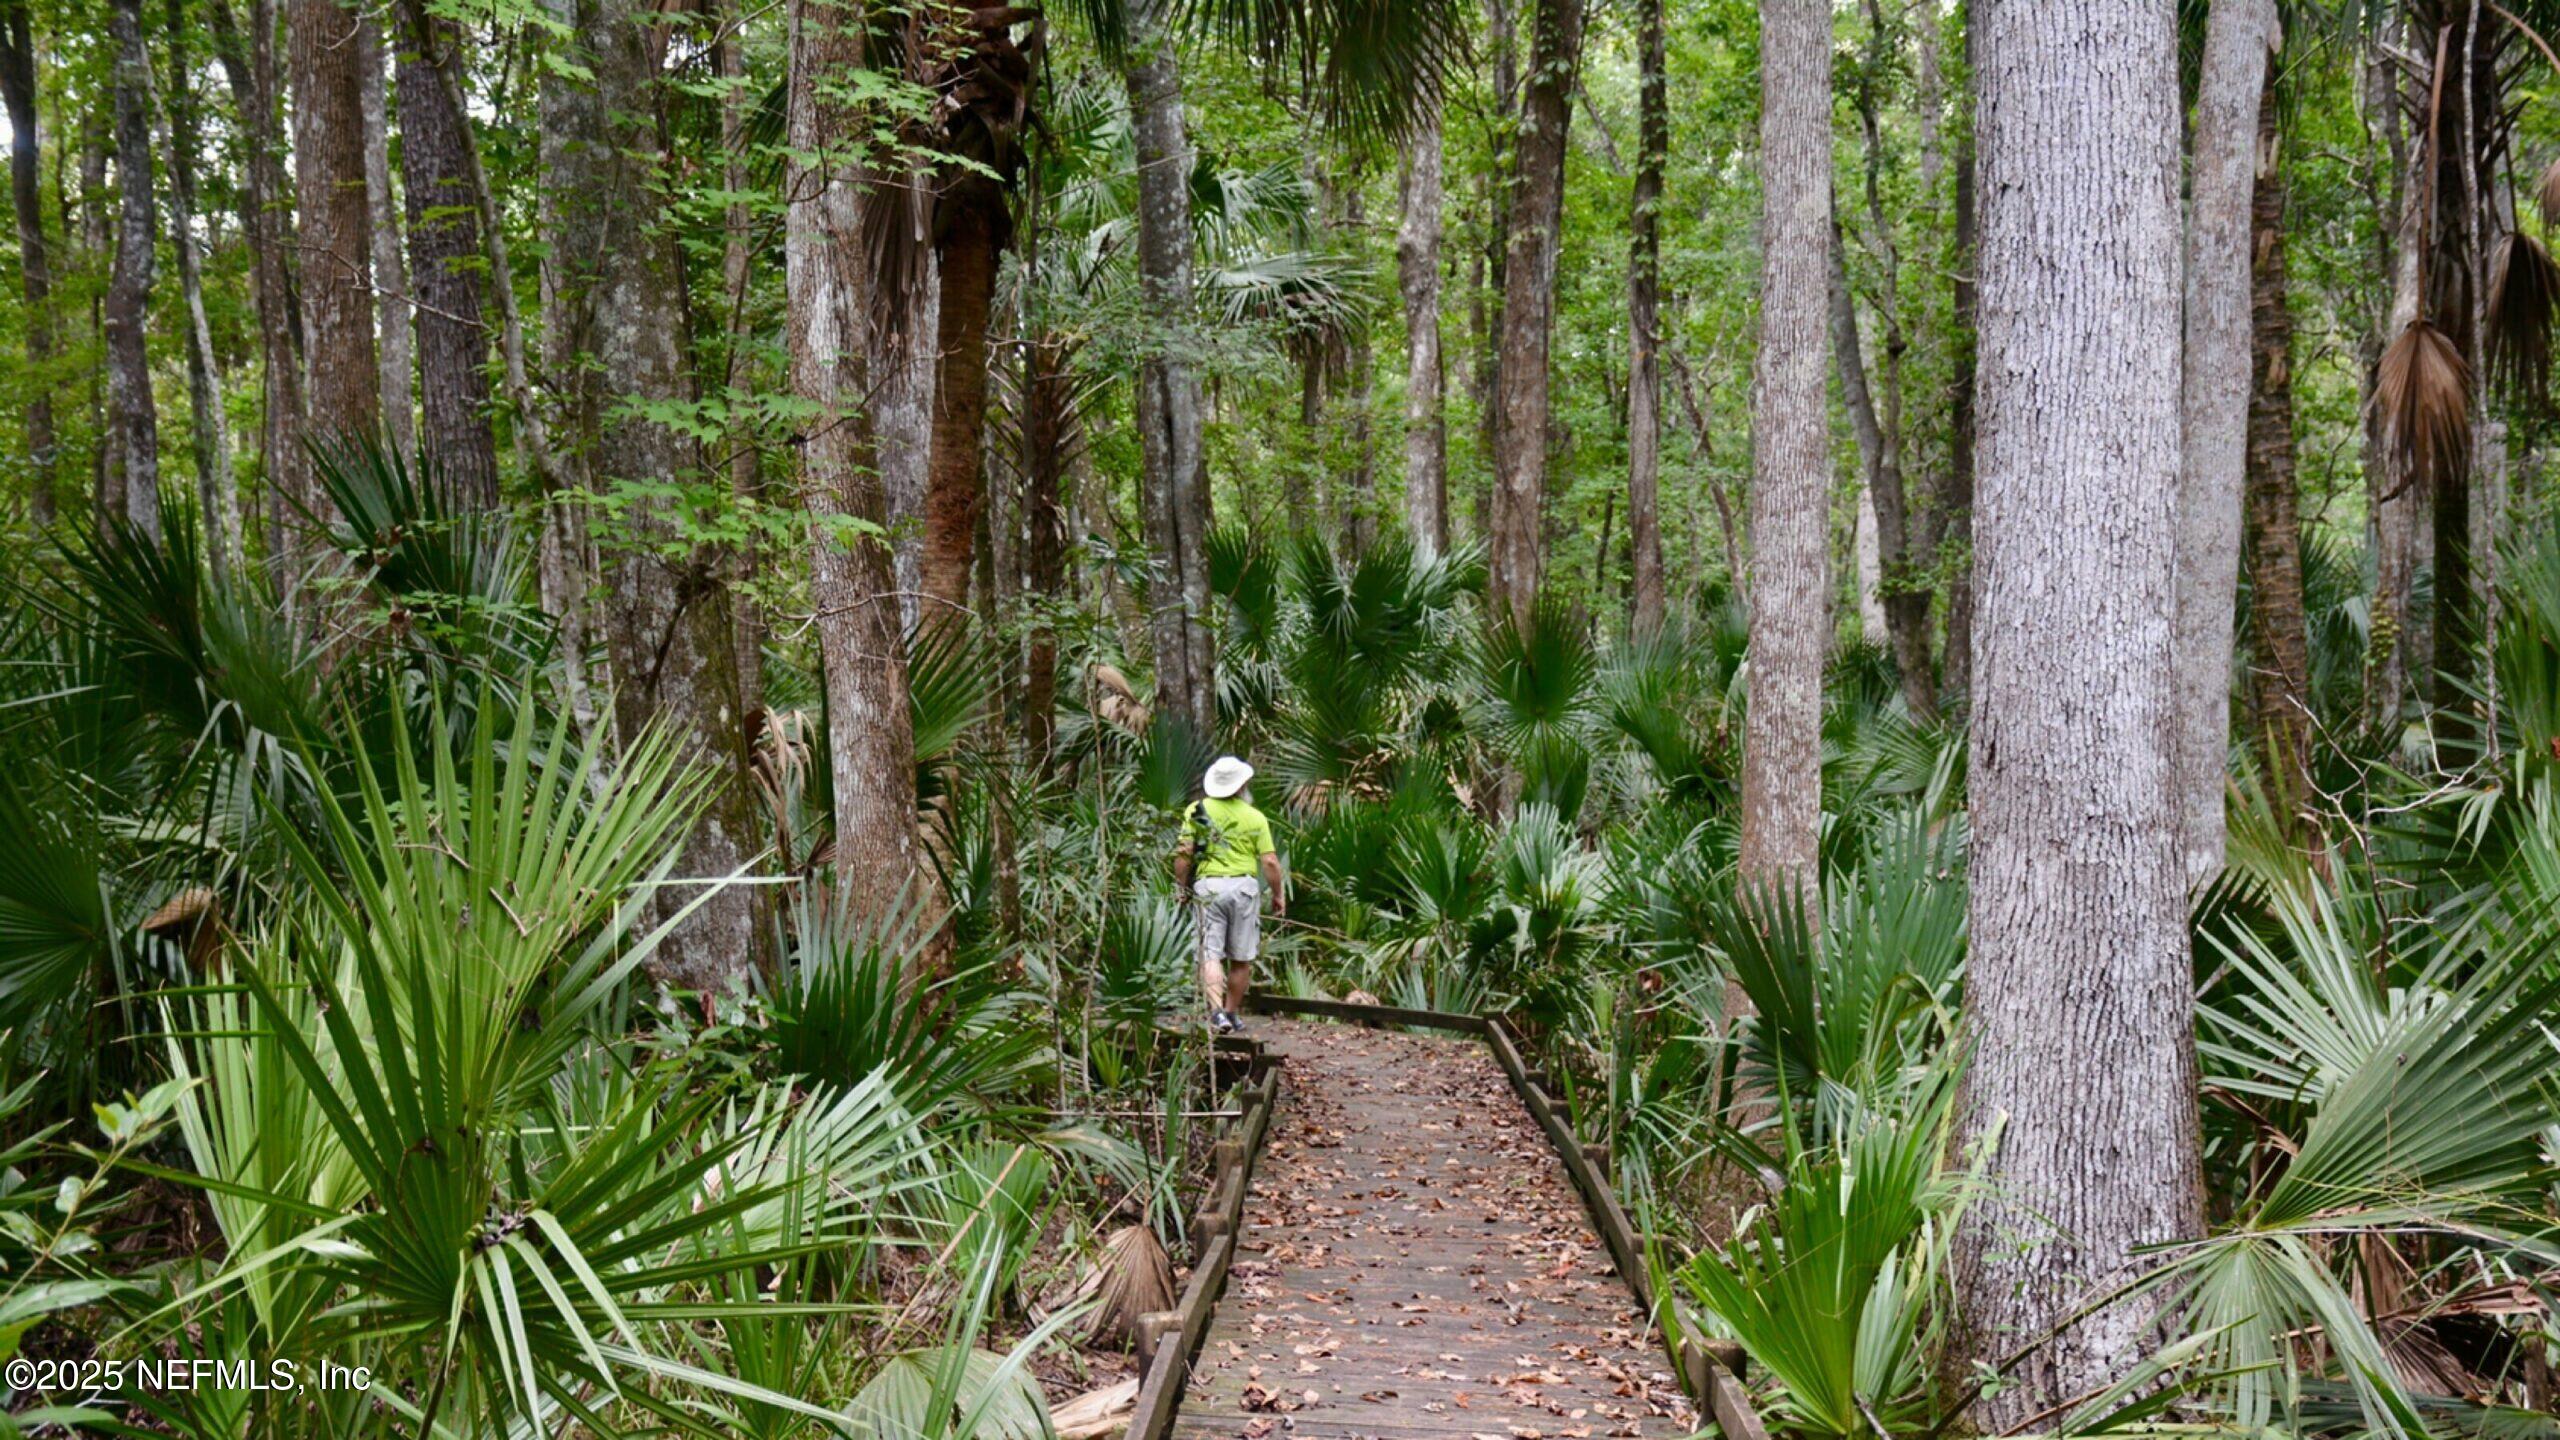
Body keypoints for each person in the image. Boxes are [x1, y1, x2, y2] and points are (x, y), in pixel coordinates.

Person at [1174, 755, 1285, 1034]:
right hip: (1243, 889)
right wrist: (1278, 894)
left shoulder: (1197, 810)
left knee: (1210, 953)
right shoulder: (1254, 817)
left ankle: (1216, 1014)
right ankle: (1232, 1012)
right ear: (1241, 785)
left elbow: (1184, 853)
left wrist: (1181, 886)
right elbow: (1270, 861)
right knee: (1241, 957)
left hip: (1209, 887)